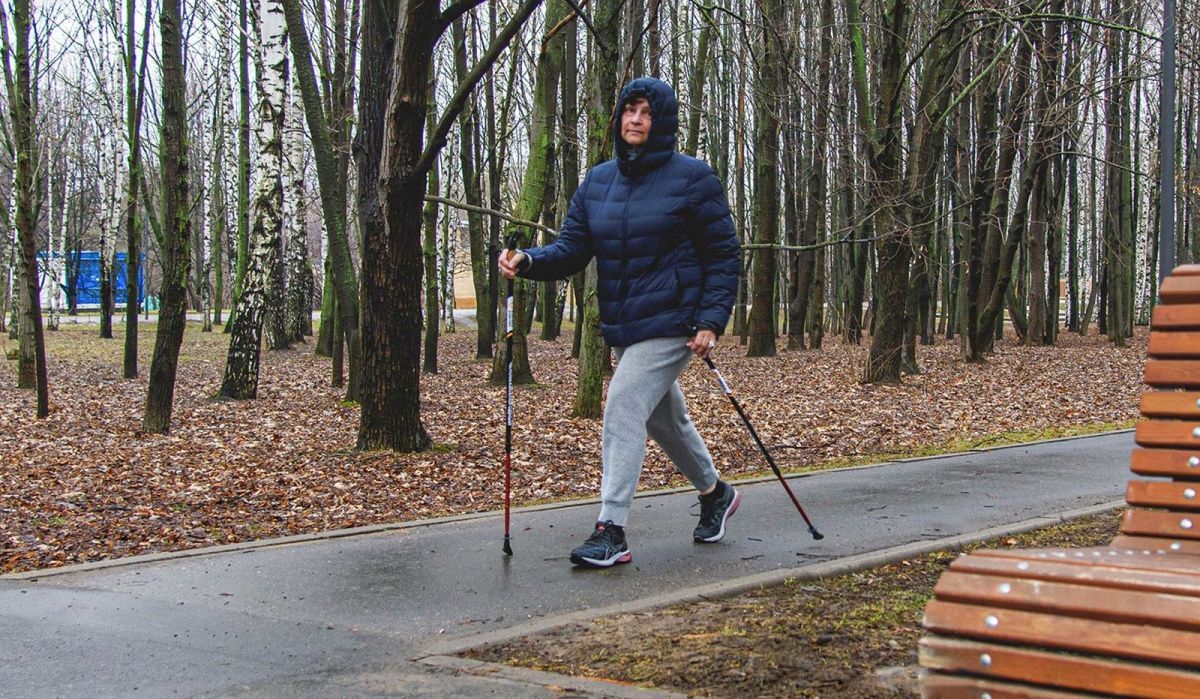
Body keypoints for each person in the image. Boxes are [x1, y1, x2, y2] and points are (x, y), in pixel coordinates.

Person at [499, 77, 741, 568]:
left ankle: (612, 529)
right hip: (626, 323)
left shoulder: (694, 179)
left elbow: (723, 254)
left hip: (676, 319)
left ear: (662, 122)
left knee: (623, 405)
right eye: (629, 110)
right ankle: (715, 493)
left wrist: (712, 320)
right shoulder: (597, 181)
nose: (635, 119)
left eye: (646, 112)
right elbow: (571, 248)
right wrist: (529, 261)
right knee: (661, 416)